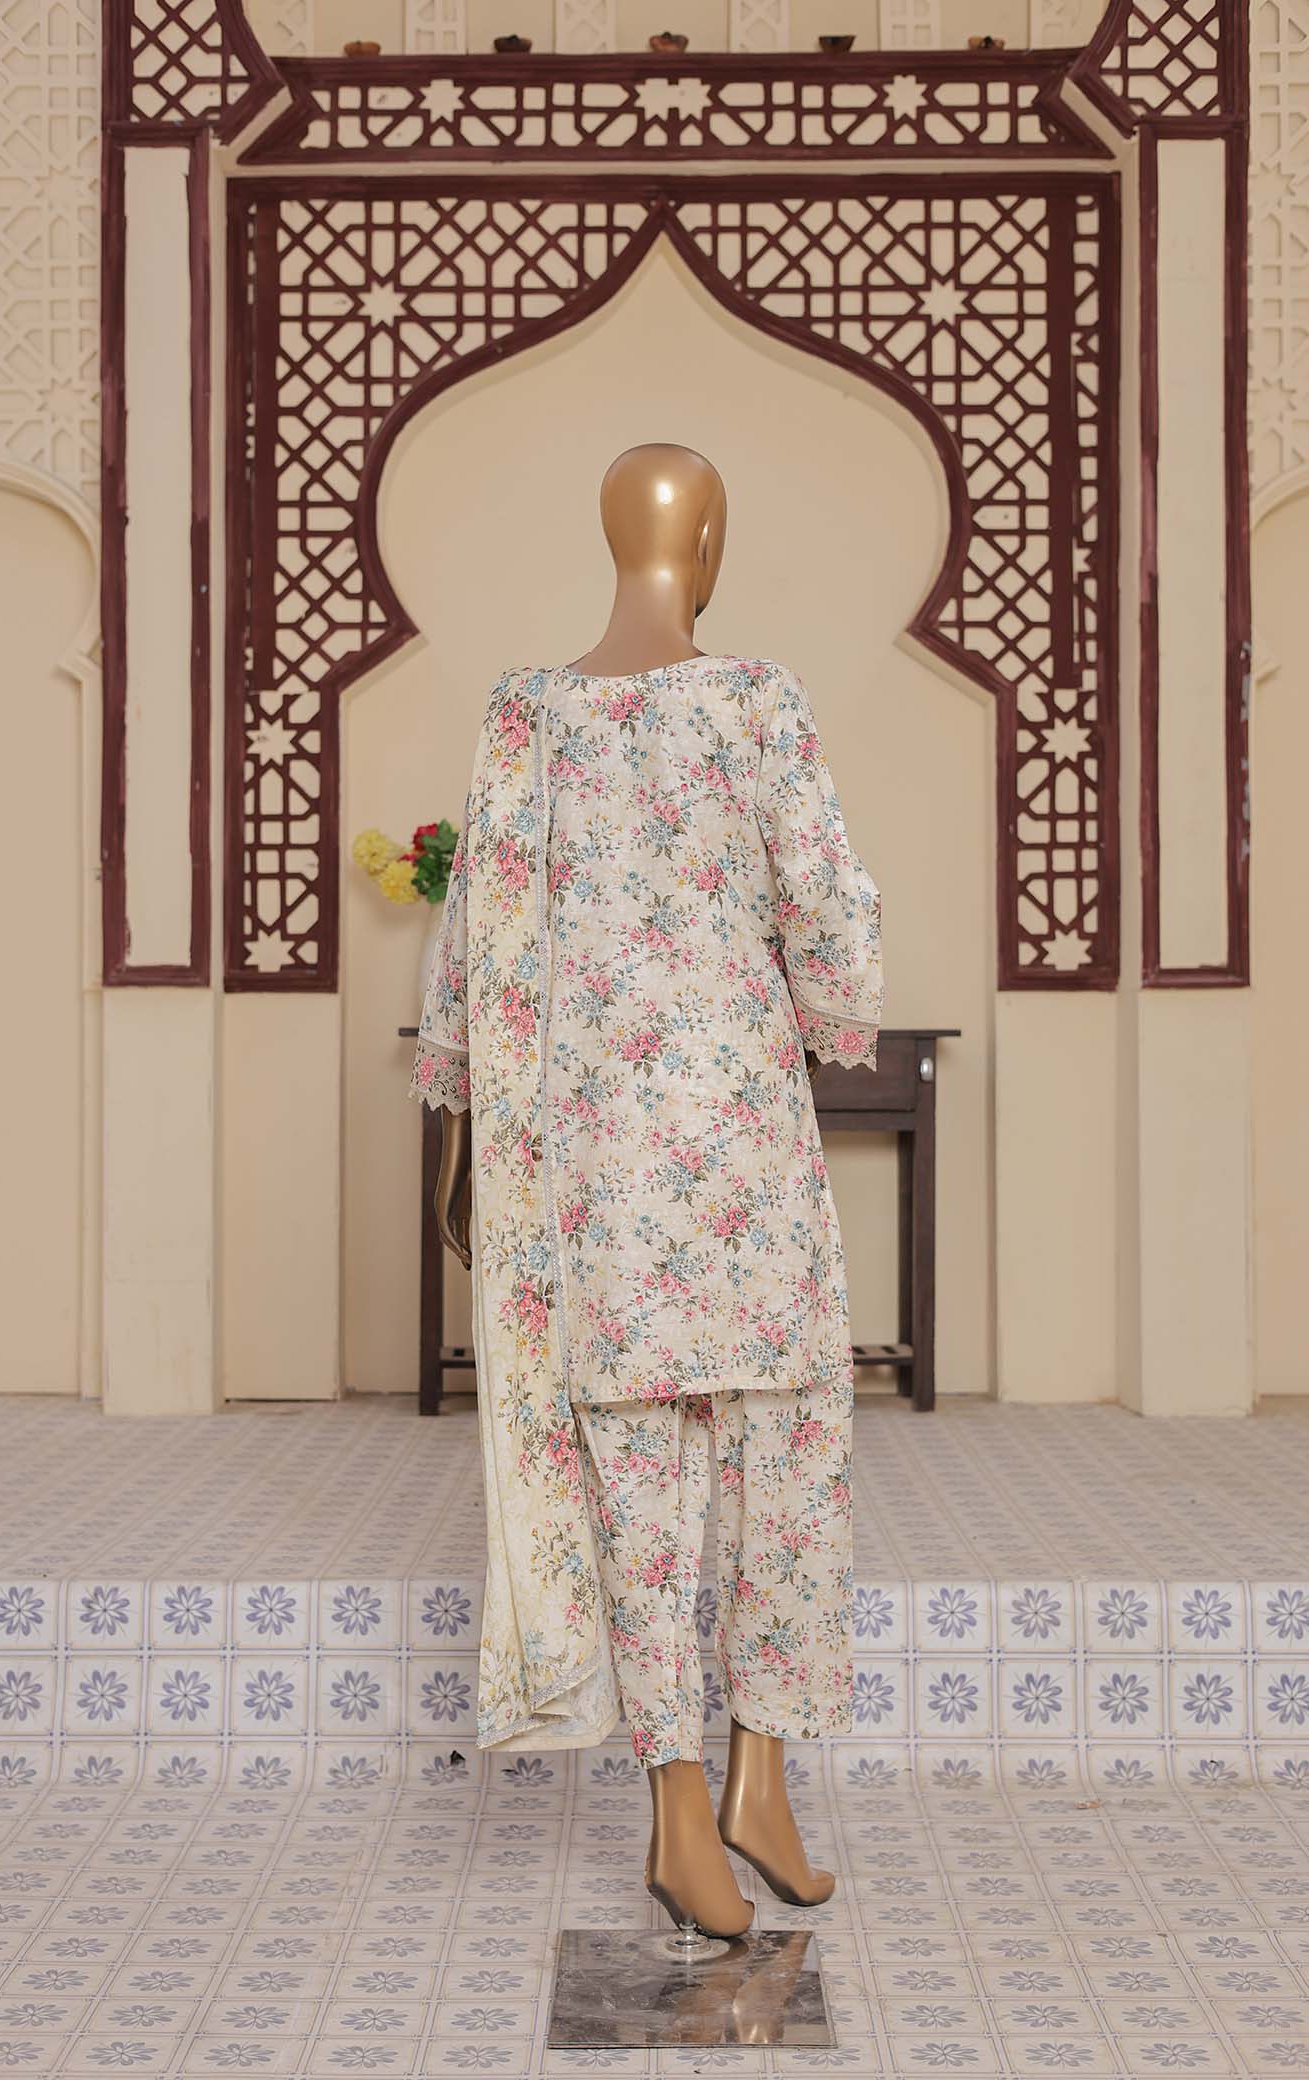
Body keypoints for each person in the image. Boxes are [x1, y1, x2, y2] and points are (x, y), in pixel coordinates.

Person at [408, 444, 882, 1939]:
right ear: (714, 541)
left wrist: (466, 1103)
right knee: (781, 1452)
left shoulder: (522, 715)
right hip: (739, 1138)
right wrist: (837, 1006)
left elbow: (476, 931)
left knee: (640, 1483)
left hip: (600, 1164)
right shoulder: (757, 698)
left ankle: (690, 1805)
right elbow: (823, 899)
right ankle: (759, 1775)